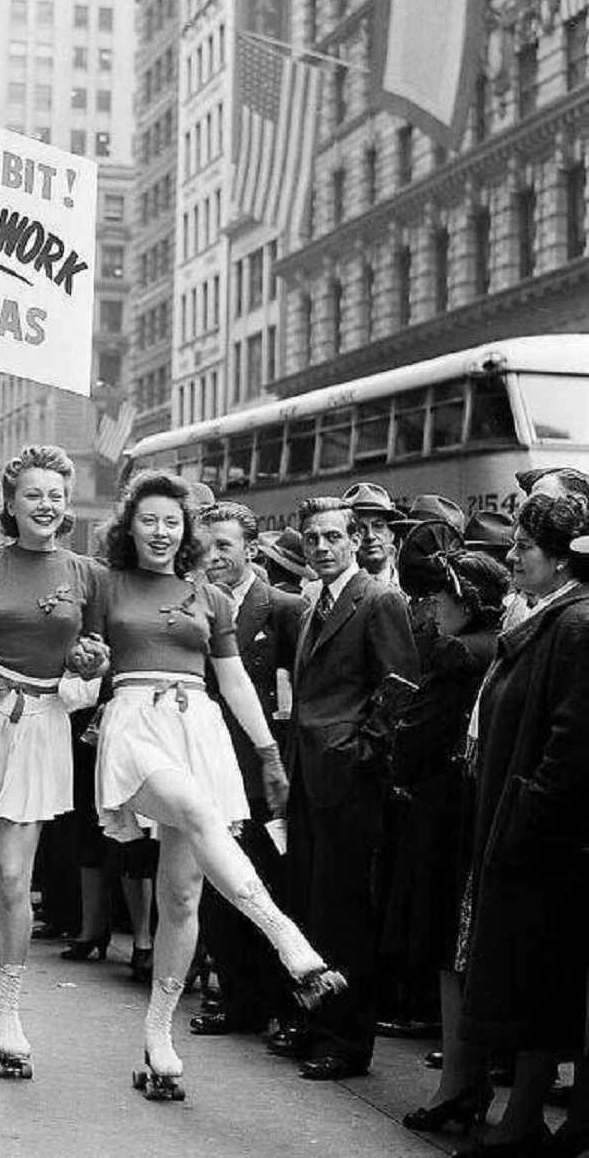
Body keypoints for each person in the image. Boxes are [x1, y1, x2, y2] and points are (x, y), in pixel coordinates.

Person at [82, 471, 345, 1101]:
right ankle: (292, 946)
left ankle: (158, 1035)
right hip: (133, 722)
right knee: (198, 812)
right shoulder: (106, 583)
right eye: (149, 519)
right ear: (129, 526)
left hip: (198, 727)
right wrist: (83, 661)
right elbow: (82, 652)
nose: (161, 531)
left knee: (181, 896)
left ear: (186, 530)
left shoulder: (211, 597)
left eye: (172, 521)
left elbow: (235, 682)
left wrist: (267, 753)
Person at [0, 445, 105, 1075]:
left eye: (56, 495)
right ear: (10, 503)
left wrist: (81, 682)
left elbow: (100, 651)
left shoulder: (87, 573)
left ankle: (8, 1013)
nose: (46, 504)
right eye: (32, 494)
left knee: (12, 878)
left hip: (41, 726)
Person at [457, 493, 589, 1157]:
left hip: (547, 841)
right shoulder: (556, 616)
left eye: (524, 548)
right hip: (528, 829)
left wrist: (525, 814)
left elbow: (572, 743)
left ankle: (525, 1122)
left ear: (563, 557)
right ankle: (525, 1119)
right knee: (531, 979)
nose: (511, 557)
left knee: (540, 980)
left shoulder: (576, 623)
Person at [279, 496, 419, 1081]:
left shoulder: (378, 598)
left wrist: (364, 751)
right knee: (311, 904)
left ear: (356, 539)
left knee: (344, 913)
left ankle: (347, 1039)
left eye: (333, 537)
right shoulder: (318, 600)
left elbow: (401, 683)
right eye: (313, 538)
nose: (322, 548)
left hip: (347, 777)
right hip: (311, 775)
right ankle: (316, 1023)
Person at [390, 525, 509, 1137]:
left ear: (464, 600)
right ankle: (470, 1078)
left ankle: (455, 1086)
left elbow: (417, 733)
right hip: (475, 806)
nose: (432, 610)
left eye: (440, 600)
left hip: (445, 809)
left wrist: (400, 742)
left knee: (445, 949)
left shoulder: (459, 653)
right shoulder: (501, 644)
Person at [192, 501, 306, 1038]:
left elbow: (297, 694)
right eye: (205, 545)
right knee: (217, 887)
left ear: (251, 550)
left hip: (260, 773)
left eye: (225, 546)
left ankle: (285, 1004)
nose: (213, 557)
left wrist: (277, 762)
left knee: (270, 886)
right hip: (206, 765)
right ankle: (239, 1000)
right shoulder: (188, 602)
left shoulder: (282, 609)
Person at [342, 481, 405, 589]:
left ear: (392, 533)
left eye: (378, 526)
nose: (370, 536)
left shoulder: (412, 590)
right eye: (360, 529)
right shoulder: (329, 593)